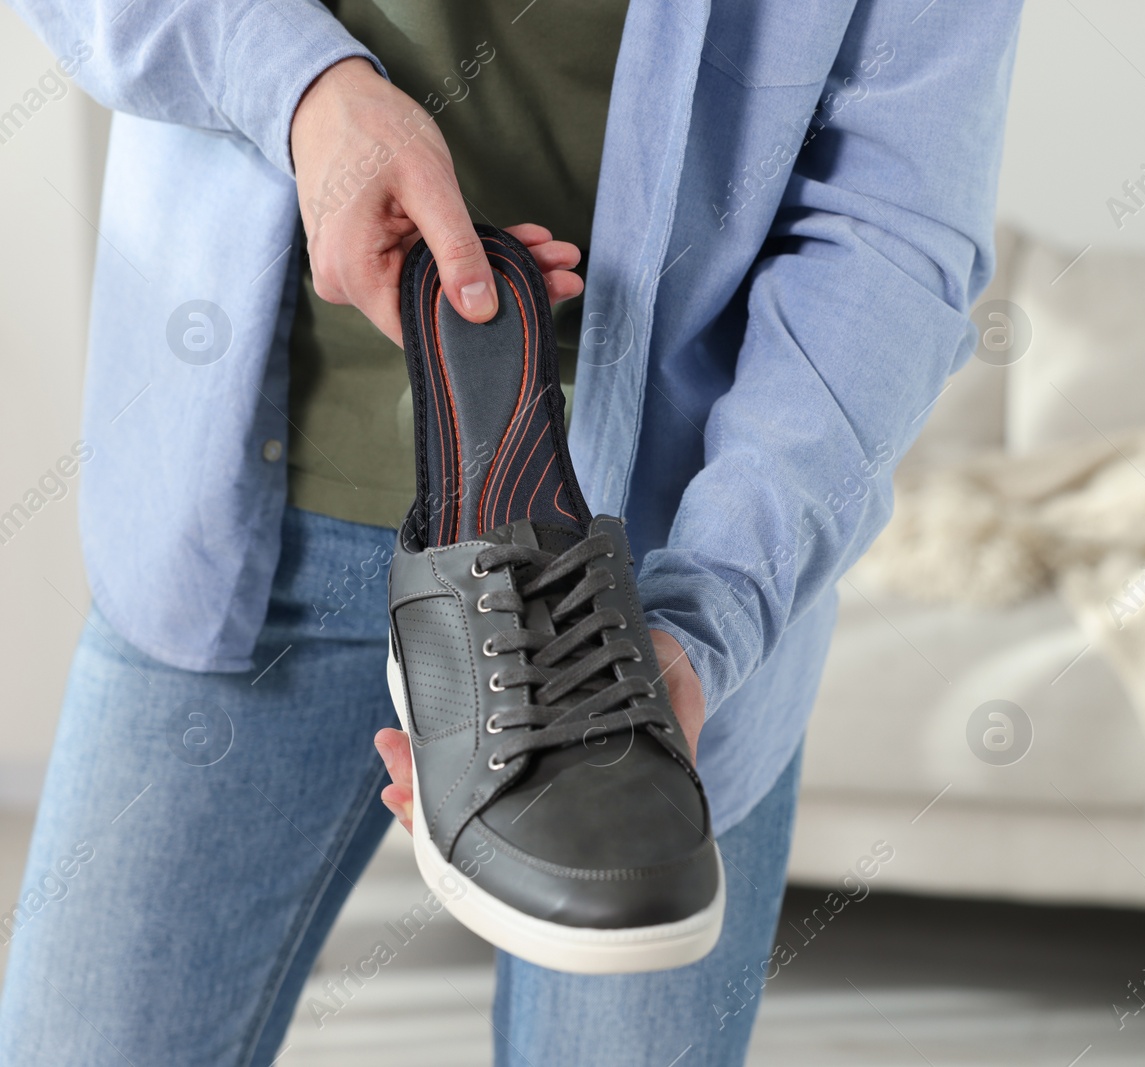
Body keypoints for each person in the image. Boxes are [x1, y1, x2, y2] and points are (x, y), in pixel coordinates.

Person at [0, 0, 1021, 1063]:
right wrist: (305, 91)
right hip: (240, 517)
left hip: (653, 578)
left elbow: (892, 229)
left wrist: (700, 617)